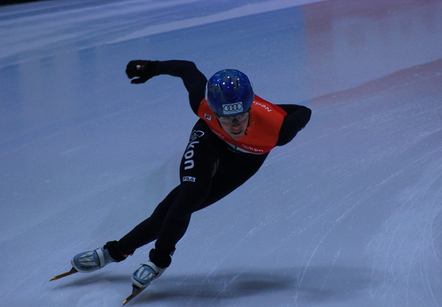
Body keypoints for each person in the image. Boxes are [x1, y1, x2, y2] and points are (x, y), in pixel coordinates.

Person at [70, 60, 312, 290]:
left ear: (249, 108)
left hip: (246, 158)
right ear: (213, 111)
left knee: (172, 212)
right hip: (210, 140)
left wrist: (276, 112)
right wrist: (151, 68)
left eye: (240, 115)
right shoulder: (201, 104)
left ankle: (127, 253)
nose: (235, 125)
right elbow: (187, 69)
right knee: (189, 196)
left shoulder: (279, 130)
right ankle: (138, 256)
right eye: (225, 118)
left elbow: (303, 110)